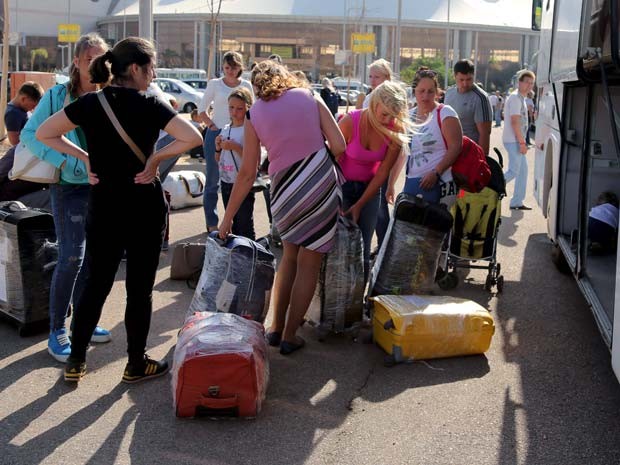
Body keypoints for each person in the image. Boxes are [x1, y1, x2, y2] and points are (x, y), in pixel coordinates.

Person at [35, 37, 202, 383]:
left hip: (103, 205)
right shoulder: (150, 104)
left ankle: (76, 360)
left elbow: (45, 132)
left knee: (96, 283)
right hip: (143, 206)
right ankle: (136, 363)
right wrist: (155, 159)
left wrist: (84, 157)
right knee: (139, 290)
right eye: (152, 67)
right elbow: (193, 137)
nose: (154, 74)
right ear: (137, 69)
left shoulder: (92, 103)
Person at [217, 60, 345, 355]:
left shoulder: (254, 114)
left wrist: (227, 219)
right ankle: (290, 335)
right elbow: (338, 145)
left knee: (288, 256)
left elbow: (248, 172)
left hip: (284, 189)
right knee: (309, 263)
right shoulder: (308, 96)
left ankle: (275, 328)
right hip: (319, 185)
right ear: (283, 77)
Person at [21, 33, 112, 363]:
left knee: (93, 259)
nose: (97, 66)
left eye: (103, 60)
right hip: (70, 186)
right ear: (77, 61)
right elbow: (32, 135)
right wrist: (68, 161)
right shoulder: (59, 95)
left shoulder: (110, 96)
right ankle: (56, 330)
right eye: (90, 60)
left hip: (102, 188)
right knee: (71, 256)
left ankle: (83, 323)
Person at [337, 81, 408, 280]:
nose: (388, 120)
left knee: (363, 247)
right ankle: (334, 299)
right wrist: (334, 199)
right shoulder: (349, 122)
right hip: (341, 185)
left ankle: (358, 302)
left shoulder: (396, 130)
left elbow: (383, 171)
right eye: (384, 114)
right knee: (338, 245)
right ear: (373, 104)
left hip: (370, 189)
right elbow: (332, 161)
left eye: (393, 116)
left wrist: (360, 204)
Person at [198, 51, 254, 233]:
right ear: (223, 67)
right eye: (227, 67)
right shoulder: (215, 84)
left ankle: (236, 220)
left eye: (234, 67)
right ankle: (212, 222)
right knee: (214, 180)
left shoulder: (246, 85)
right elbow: (201, 110)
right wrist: (212, 126)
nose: (230, 71)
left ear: (240, 68)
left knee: (240, 177)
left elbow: (253, 108)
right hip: (217, 135)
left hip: (241, 134)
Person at [392, 67, 462, 205]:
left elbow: (455, 147)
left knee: (437, 226)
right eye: (421, 91)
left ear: (437, 92)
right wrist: (390, 184)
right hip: (413, 185)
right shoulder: (408, 116)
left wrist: (436, 173)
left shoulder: (445, 113)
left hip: (442, 185)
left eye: (430, 91)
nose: (425, 96)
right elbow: (402, 153)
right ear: (414, 92)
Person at [215, 87, 256, 239]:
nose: (234, 112)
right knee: (231, 223)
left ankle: (250, 256)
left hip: (243, 183)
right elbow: (217, 159)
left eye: (239, 108)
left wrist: (235, 147)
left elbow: (253, 159)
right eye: (231, 107)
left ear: (248, 108)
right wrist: (218, 147)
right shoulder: (226, 129)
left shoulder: (249, 129)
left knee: (244, 226)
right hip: (226, 182)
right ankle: (236, 258)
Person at [444, 59, 492, 155]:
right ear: (454, 76)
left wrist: (483, 160)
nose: (465, 84)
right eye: (461, 80)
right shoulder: (449, 93)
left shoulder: (481, 98)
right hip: (448, 151)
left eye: (469, 79)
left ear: (474, 76)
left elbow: (485, 134)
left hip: (469, 154)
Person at [503, 69, 536, 211]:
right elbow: (515, 122)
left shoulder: (521, 98)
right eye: (526, 82)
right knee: (514, 171)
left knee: (523, 172)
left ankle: (516, 202)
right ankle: (489, 188)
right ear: (519, 83)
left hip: (516, 139)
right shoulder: (515, 98)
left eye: (531, 83)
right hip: (513, 140)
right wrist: (522, 143)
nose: (529, 85)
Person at [4, 81, 44, 146]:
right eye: (33, 105)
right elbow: (15, 142)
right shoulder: (13, 114)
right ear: (23, 99)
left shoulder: (21, 110)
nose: (33, 109)